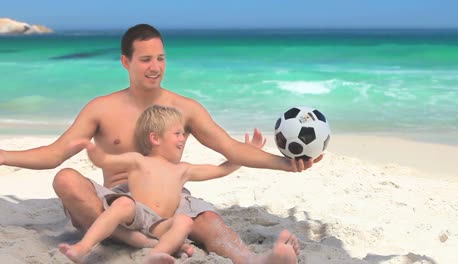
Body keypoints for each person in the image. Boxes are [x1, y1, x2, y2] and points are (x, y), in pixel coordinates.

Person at [0, 24, 322, 263]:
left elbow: (231, 150)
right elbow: (55, 154)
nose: (155, 67)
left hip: (171, 199)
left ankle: (254, 261)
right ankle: (139, 240)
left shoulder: (185, 108)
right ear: (125, 62)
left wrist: (288, 165)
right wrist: (3, 156)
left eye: (160, 58)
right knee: (65, 180)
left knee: (208, 220)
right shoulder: (101, 107)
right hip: (116, 200)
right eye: (145, 60)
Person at [60, 105, 251, 263]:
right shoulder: (138, 161)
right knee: (123, 203)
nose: (183, 138)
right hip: (138, 215)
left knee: (184, 221)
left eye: (183, 134)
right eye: (177, 133)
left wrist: (244, 156)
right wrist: (92, 150)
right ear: (155, 138)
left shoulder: (183, 169)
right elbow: (105, 161)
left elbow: (221, 170)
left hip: (161, 223)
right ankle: (82, 247)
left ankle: (155, 255)